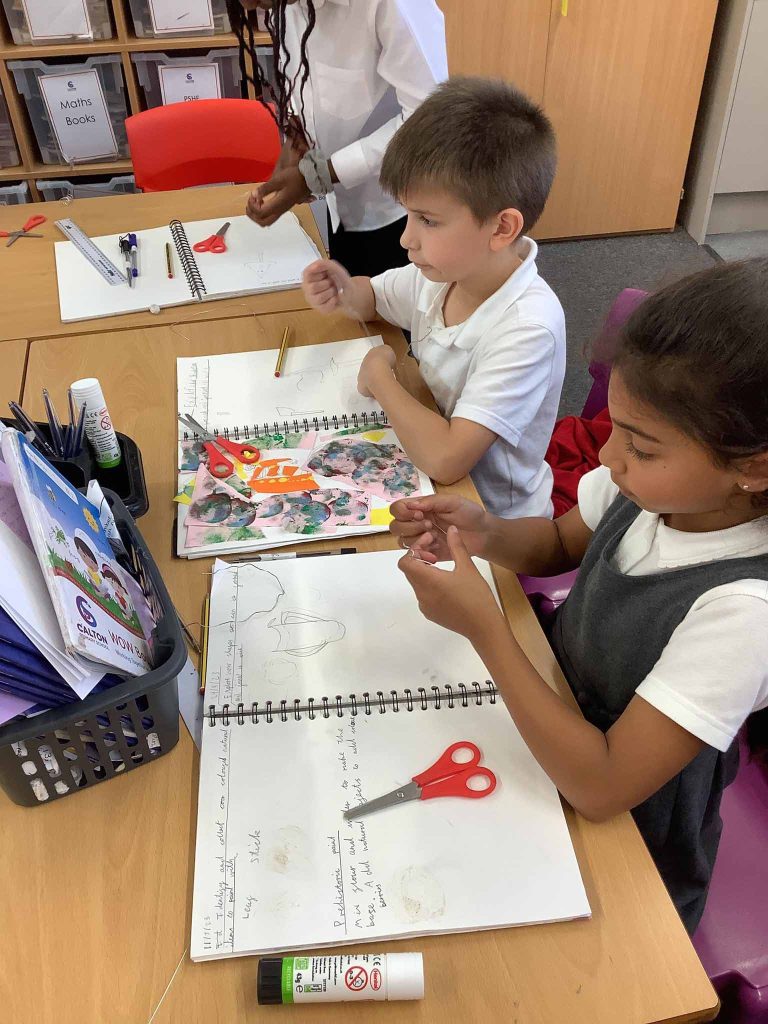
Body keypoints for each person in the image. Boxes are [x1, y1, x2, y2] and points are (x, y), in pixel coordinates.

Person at [390, 258, 768, 934]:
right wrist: (487, 532)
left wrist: (485, 629)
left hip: (628, 836)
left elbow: (604, 787)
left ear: (754, 468)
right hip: (553, 713)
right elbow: (564, 544)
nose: (609, 458)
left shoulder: (745, 612)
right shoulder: (654, 490)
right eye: (616, 427)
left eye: (643, 447)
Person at [303, 77, 563, 519]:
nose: (407, 238)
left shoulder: (526, 328)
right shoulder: (445, 273)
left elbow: (448, 459)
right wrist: (344, 289)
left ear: (501, 229)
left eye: (427, 220)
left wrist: (381, 378)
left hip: (493, 521)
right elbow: (372, 300)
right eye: (408, 215)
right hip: (430, 476)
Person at [228, 0, 447, 277]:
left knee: (391, 312)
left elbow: (429, 118)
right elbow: (304, 81)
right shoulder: (290, 4)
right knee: (349, 305)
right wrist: (296, 142)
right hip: (342, 206)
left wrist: (318, 175)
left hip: (401, 211)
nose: (248, 4)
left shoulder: (392, 5)